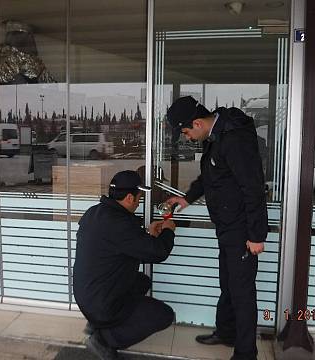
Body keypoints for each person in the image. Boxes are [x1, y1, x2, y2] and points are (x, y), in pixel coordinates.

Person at [164, 96, 268, 360]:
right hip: (227, 227)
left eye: (186, 132)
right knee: (228, 283)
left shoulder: (233, 139)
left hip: (242, 230)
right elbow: (212, 176)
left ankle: (246, 353)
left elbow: (253, 187)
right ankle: (226, 331)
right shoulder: (217, 135)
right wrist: (187, 198)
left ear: (197, 123)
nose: (187, 138)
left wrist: (256, 235)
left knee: (242, 292)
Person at [73, 170, 177, 360]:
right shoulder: (120, 224)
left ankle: (96, 323)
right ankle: (104, 339)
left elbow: (121, 248)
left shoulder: (96, 212)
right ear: (129, 197)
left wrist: (148, 235)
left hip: (87, 294)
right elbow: (158, 253)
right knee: (164, 315)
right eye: (139, 198)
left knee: (141, 281)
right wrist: (168, 231)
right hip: (101, 302)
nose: (139, 202)